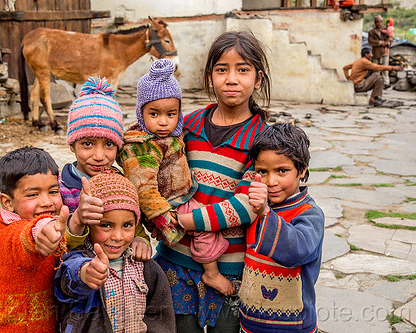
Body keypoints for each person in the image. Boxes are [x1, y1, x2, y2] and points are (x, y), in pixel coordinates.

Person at [149, 30, 271, 332]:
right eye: (222, 69)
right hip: (174, 260)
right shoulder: (187, 124)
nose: (231, 79)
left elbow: (247, 205)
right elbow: (159, 170)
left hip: (229, 266)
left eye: (242, 70)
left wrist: (187, 221)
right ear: (209, 76)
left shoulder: (262, 140)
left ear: (258, 79)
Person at [117, 58, 235, 296]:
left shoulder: (170, 136)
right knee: (203, 229)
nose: (163, 121)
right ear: (141, 112)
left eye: (171, 114)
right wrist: (165, 218)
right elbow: (143, 187)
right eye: (154, 114)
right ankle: (211, 273)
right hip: (167, 205)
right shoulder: (142, 148)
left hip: (177, 198)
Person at [54, 168, 176, 332]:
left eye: (127, 225)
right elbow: (66, 283)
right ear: (89, 223)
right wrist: (85, 274)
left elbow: (161, 319)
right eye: (106, 225)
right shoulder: (80, 260)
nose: (118, 236)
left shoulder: (145, 268)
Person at [239, 123, 325, 332]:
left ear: (302, 170)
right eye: (262, 171)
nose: (271, 181)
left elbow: (296, 250)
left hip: (293, 325)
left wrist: (265, 214)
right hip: (250, 322)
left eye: (282, 171)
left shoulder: (309, 213)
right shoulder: (255, 206)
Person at [59, 76, 151, 260]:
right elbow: (57, 244)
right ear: (72, 145)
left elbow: (133, 223)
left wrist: (142, 240)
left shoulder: (122, 183)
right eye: (87, 143)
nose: (99, 156)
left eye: (109, 144)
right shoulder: (60, 189)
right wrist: (76, 220)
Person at [0, 146, 69, 332]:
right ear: (8, 202)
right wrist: (41, 229)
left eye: (53, 191)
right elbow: (25, 237)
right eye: (33, 195)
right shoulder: (7, 232)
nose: (47, 201)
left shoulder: (56, 225)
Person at [368, 15, 391, 87]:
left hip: (385, 52)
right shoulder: (371, 32)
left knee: (385, 68)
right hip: (376, 52)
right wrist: (380, 43)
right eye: (377, 22)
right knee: (376, 69)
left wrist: (387, 42)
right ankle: (376, 82)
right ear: (375, 23)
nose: (379, 23)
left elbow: (390, 40)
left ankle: (386, 83)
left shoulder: (385, 31)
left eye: (380, 22)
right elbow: (370, 41)